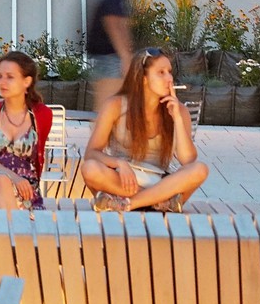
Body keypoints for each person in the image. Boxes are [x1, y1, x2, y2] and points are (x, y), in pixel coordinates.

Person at [81, 46, 209, 212]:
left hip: (160, 182)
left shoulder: (179, 110)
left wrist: (176, 117)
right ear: (143, 78)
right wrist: (119, 162)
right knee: (90, 168)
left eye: (170, 72)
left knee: (200, 169)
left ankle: (129, 203)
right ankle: (158, 202)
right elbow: (91, 153)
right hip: (124, 180)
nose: (169, 78)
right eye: (161, 72)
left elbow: (188, 161)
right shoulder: (116, 105)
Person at [0, 51, 51, 210]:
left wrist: (20, 181)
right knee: (2, 181)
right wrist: (12, 177)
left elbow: (36, 160)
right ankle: (17, 232)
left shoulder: (42, 115)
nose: (2, 82)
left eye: (10, 77)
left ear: (27, 81)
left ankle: (6, 232)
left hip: (25, 187)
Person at [87, 0, 137, 111]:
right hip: (110, 58)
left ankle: (105, 133)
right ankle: (102, 134)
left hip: (110, 58)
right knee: (107, 106)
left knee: (111, 105)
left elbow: (121, 25)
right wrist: (126, 58)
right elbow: (113, 25)